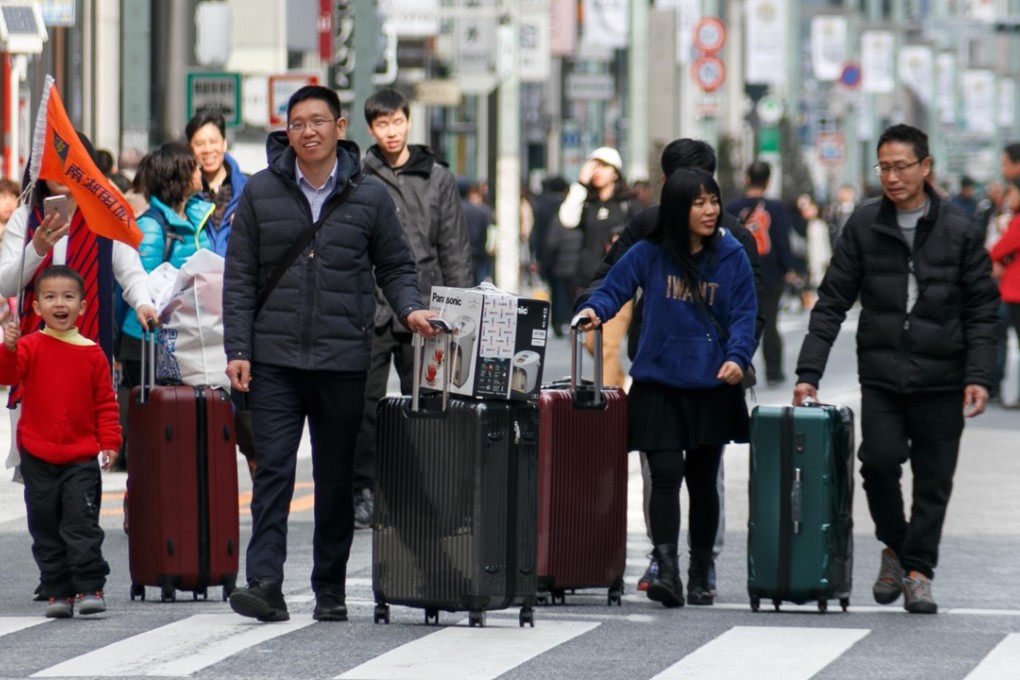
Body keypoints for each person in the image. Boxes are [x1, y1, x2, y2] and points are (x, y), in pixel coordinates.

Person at [223, 85, 438, 624]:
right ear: (286, 130)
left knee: (336, 477)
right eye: (298, 123)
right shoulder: (261, 192)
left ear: (341, 128)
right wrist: (239, 348)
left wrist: (410, 308)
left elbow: (396, 265)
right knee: (272, 470)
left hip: (344, 359)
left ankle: (330, 588)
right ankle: (265, 583)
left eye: (319, 121)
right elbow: (240, 275)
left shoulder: (368, 196)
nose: (308, 131)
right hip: (274, 360)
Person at [793, 124, 1000, 614]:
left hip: (943, 376)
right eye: (883, 167)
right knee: (879, 463)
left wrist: (979, 375)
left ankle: (917, 572)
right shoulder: (864, 225)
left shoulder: (960, 230)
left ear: (925, 168)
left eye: (901, 166)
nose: (891, 176)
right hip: (884, 374)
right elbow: (831, 303)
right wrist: (809, 372)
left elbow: (982, 311)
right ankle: (897, 547)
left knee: (933, 481)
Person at [575, 138, 765, 598]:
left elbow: (745, 313)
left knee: (703, 483)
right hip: (659, 381)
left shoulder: (733, 252)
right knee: (664, 476)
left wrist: (738, 358)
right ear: (677, 207)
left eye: (713, 200)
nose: (709, 210)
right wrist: (592, 310)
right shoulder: (649, 249)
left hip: (711, 383)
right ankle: (667, 568)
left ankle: (701, 571)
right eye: (698, 203)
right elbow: (613, 285)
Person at [352, 88, 472, 529]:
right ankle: (362, 491)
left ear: (408, 121)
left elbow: (454, 250)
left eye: (397, 122)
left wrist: (461, 314)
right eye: (381, 124)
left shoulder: (437, 177)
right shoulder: (360, 175)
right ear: (371, 129)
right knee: (364, 405)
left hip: (426, 310)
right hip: (373, 309)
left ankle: (430, 488)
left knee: (429, 403)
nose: (390, 131)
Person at [0, 265, 121, 618]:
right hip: (37, 455)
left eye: (68, 297)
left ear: (83, 307)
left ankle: (89, 587)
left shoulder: (92, 353)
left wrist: (110, 441)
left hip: (80, 456)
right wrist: (7, 347)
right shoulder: (29, 345)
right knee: (44, 523)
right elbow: (7, 375)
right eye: (50, 297)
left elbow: (105, 402)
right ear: (36, 307)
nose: (59, 304)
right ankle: (57, 590)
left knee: (80, 522)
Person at [115, 143, 213, 470]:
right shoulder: (152, 226)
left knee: (181, 423)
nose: (200, 172)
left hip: (189, 337)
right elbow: (142, 283)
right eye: (194, 167)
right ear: (178, 175)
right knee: (156, 424)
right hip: (149, 340)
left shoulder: (200, 215)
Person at [560, 147, 639, 389]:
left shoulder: (628, 205)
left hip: (619, 284)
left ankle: (605, 405)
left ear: (616, 172)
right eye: (593, 165)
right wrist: (580, 185)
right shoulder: (587, 203)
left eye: (603, 166)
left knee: (608, 346)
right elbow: (567, 219)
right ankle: (622, 385)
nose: (597, 172)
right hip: (588, 284)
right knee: (590, 343)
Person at [726, 160, 794, 386]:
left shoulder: (734, 207)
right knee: (770, 321)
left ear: (746, 178)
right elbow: (783, 241)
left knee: (740, 319)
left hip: (739, 270)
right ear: (767, 180)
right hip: (770, 271)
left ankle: (738, 364)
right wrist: (788, 268)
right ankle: (773, 370)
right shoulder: (776, 207)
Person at [186, 111, 249, 257]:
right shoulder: (185, 194)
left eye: (213, 142)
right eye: (200, 144)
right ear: (190, 148)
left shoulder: (248, 188)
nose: (207, 150)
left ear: (224, 144)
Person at [989, 178, 1020, 404]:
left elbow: (998, 249)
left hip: (1014, 291)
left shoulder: (1017, 222)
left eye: (1013, 193)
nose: (1010, 198)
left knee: (997, 338)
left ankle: (993, 387)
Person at [458, 178, 494, 285]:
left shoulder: (456, 210)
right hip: (478, 254)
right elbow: (487, 233)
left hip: (461, 253)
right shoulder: (483, 211)